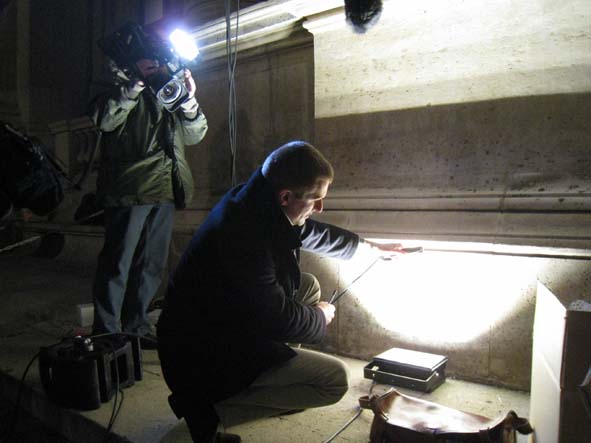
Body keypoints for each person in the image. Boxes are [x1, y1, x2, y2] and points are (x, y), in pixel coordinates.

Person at [157, 141, 404, 442]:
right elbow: (278, 319)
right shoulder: (244, 238)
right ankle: (208, 414)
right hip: (201, 356)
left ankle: (275, 387)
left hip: (218, 325)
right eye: (315, 200)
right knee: (333, 381)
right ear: (285, 196)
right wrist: (319, 316)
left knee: (308, 285)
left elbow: (308, 231)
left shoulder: (256, 200)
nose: (319, 208)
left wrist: (369, 248)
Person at [90, 33, 208, 349]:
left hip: (166, 187)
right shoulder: (117, 92)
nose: (154, 68)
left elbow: (196, 134)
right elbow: (103, 120)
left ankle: (137, 327)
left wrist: (189, 101)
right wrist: (134, 86)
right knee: (118, 264)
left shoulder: (171, 91)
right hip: (130, 189)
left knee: (151, 265)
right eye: (148, 64)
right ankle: (106, 332)